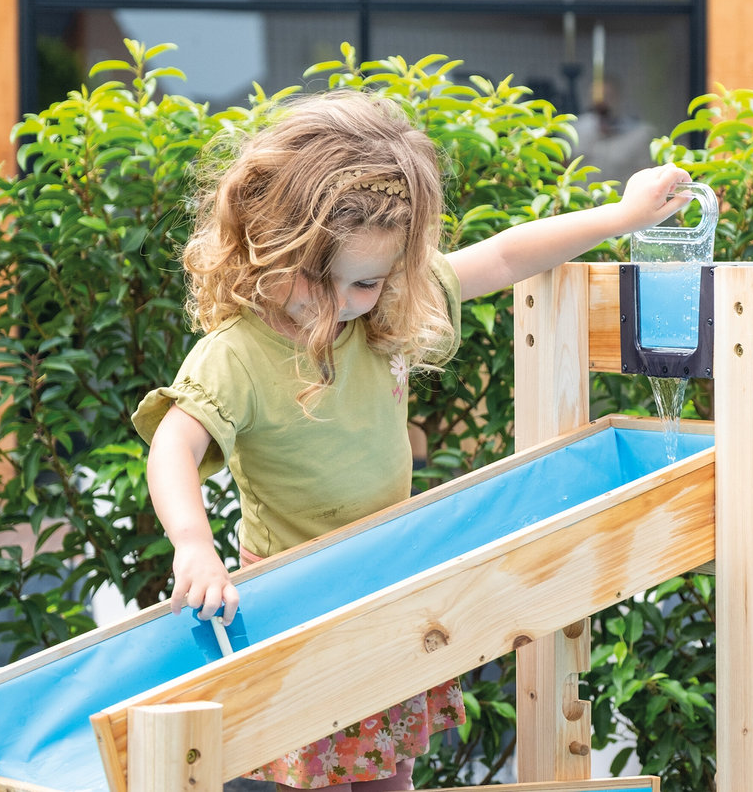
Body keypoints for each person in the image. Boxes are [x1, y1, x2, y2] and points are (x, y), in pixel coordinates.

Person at [133, 88, 690, 791]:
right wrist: (193, 543)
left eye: (364, 283)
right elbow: (173, 445)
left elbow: (505, 257)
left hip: (390, 581)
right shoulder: (237, 354)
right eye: (316, 280)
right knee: (320, 777)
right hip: (300, 601)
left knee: (390, 775)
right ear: (263, 246)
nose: (341, 303)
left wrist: (624, 214)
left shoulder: (375, 315)